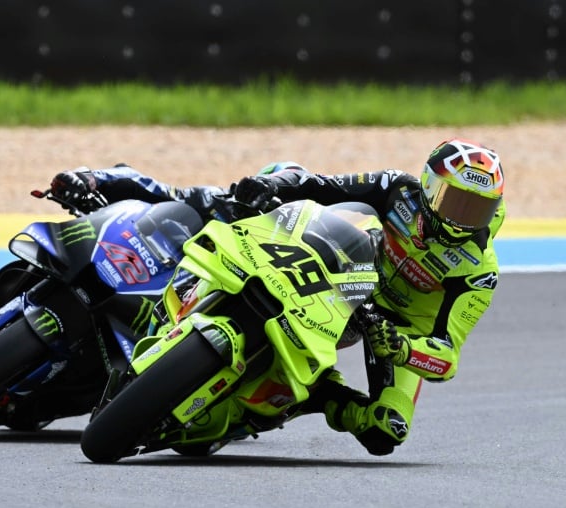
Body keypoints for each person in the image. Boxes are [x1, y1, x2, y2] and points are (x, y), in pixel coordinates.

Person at [50, 138, 506, 456]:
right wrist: (275, 187)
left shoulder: (479, 272)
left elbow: (447, 356)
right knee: (235, 212)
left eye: (478, 209)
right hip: (342, 274)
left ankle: (308, 398)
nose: (464, 217)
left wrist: (402, 347)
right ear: (429, 187)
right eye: (455, 201)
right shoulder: (396, 188)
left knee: (387, 429)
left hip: (392, 328)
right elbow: (324, 187)